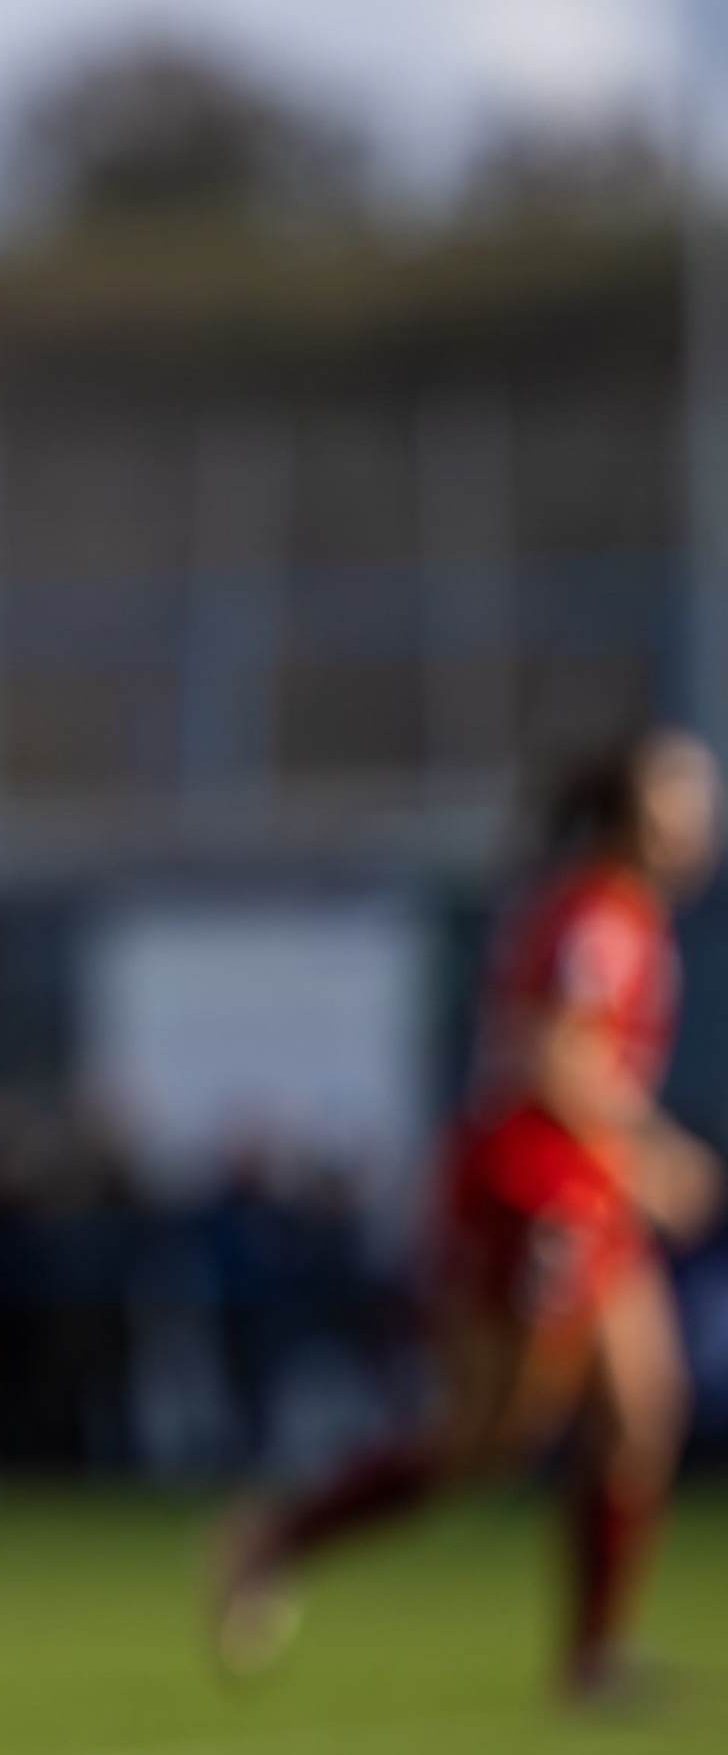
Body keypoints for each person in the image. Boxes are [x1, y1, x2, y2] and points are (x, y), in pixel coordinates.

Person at [212, 727, 722, 1702]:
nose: (702, 822)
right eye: (684, 799)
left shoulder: (627, 917)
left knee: (639, 1416)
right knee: (489, 1442)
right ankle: (276, 1536)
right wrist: (655, 1155)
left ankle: (594, 1659)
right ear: (634, 813)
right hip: (534, 1186)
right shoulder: (593, 916)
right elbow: (553, 1056)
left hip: (587, 1184)